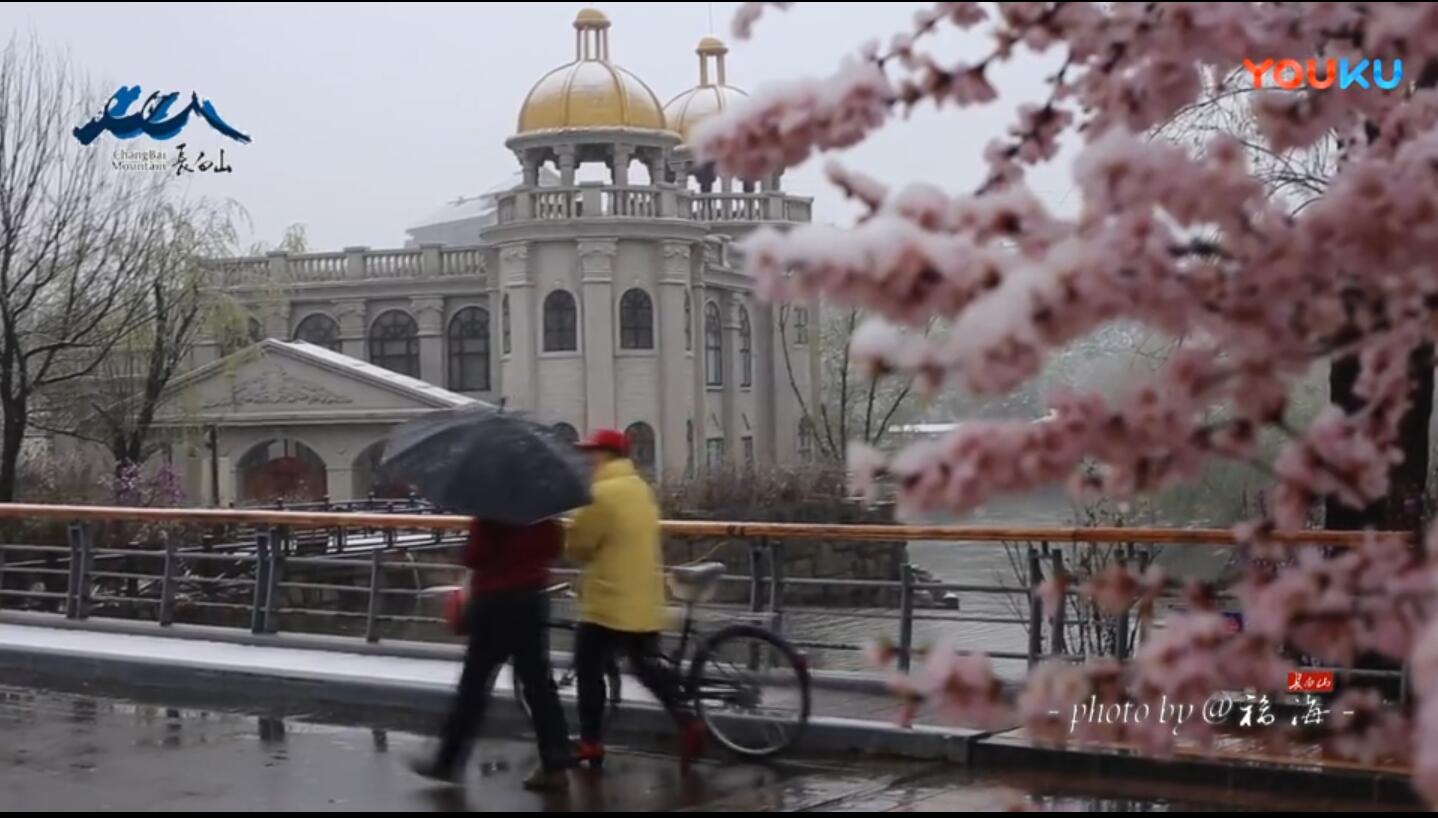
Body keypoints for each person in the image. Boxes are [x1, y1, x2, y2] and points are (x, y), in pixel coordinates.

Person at [567, 428, 703, 768]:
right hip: (643, 595)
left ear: (604, 455)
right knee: (645, 665)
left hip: (609, 602)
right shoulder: (640, 488)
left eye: (592, 452)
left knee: (588, 668)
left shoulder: (600, 493)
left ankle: (591, 742)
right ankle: (687, 721)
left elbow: (579, 546)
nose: (587, 459)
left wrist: (568, 532)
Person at [411, 517, 571, 790]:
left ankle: (448, 760)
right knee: (538, 684)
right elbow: (554, 546)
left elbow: (475, 555)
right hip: (531, 601)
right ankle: (555, 763)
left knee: (474, 683)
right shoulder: (543, 509)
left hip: (494, 603)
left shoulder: (492, 509)